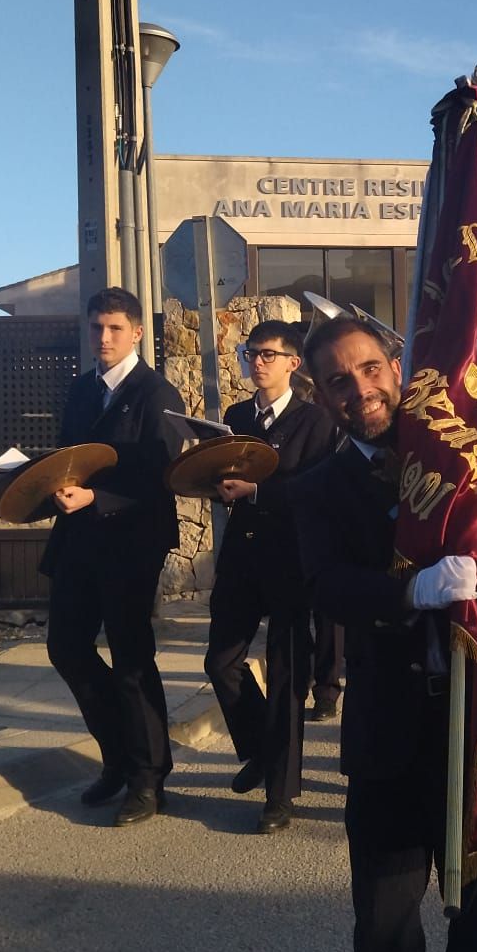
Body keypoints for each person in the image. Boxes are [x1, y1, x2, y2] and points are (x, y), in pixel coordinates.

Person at [294, 315, 477, 952]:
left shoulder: (468, 465)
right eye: (340, 382)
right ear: (325, 396)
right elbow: (326, 587)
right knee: (384, 925)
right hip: (390, 727)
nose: (361, 390)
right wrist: (410, 592)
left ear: (397, 367)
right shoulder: (318, 488)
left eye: (370, 370)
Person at [37, 287, 188, 826]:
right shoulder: (81, 391)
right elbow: (66, 456)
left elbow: (163, 476)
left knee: (130, 662)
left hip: (130, 544)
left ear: (138, 333)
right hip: (76, 543)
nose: (104, 338)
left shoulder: (157, 393)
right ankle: (118, 756)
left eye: (115, 329)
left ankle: (148, 779)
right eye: (97, 327)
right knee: (66, 649)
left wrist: (98, 498)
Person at [202, 320, 341, 834]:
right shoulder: (238, 417)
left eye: (267, 354)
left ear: (292, 363)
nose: (256, 362)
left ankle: (280, 796)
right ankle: (261, 749)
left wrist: (257, 491)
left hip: (290, 559)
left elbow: (317, 492)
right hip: (242, 555)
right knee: (220, 661)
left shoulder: (316, 422)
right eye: (250, 352)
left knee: (286, 676)